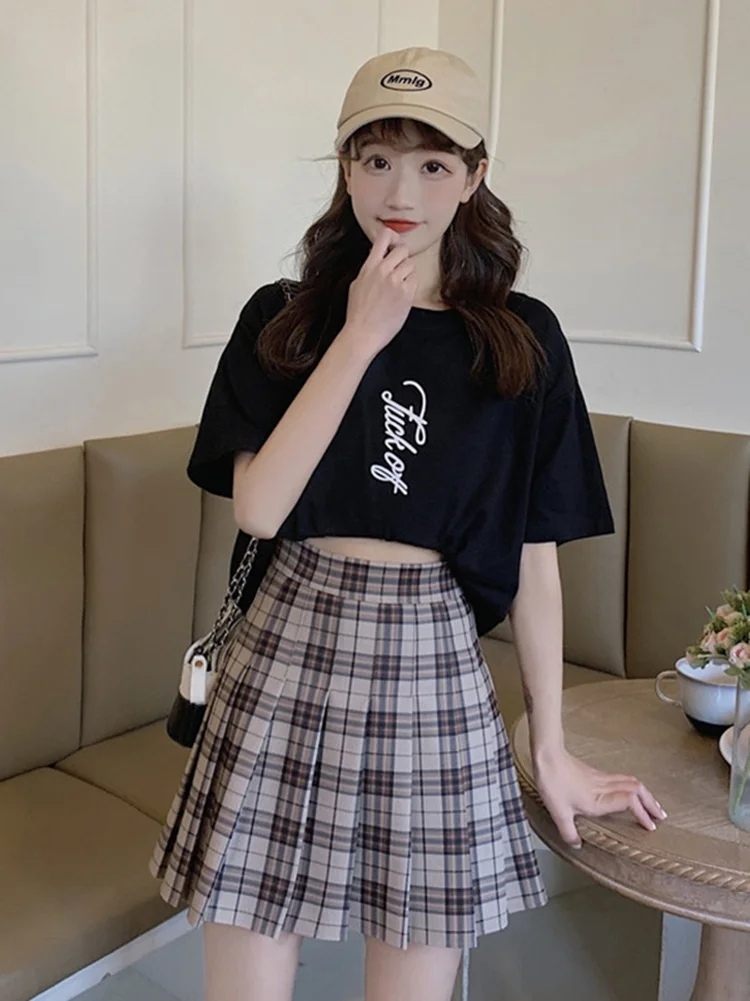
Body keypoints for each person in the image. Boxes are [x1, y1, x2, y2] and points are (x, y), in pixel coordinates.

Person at [150, 46, 665, 1001]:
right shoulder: (284, 319)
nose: (401, 191)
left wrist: (550, 744)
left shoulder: (523, 338)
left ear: (474, 177)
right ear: (345, 167)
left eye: (433, 164)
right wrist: (360, 336)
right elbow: (260, 507)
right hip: (286, 643)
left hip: (432, 661)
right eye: (377, 157)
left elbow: (534, 556)